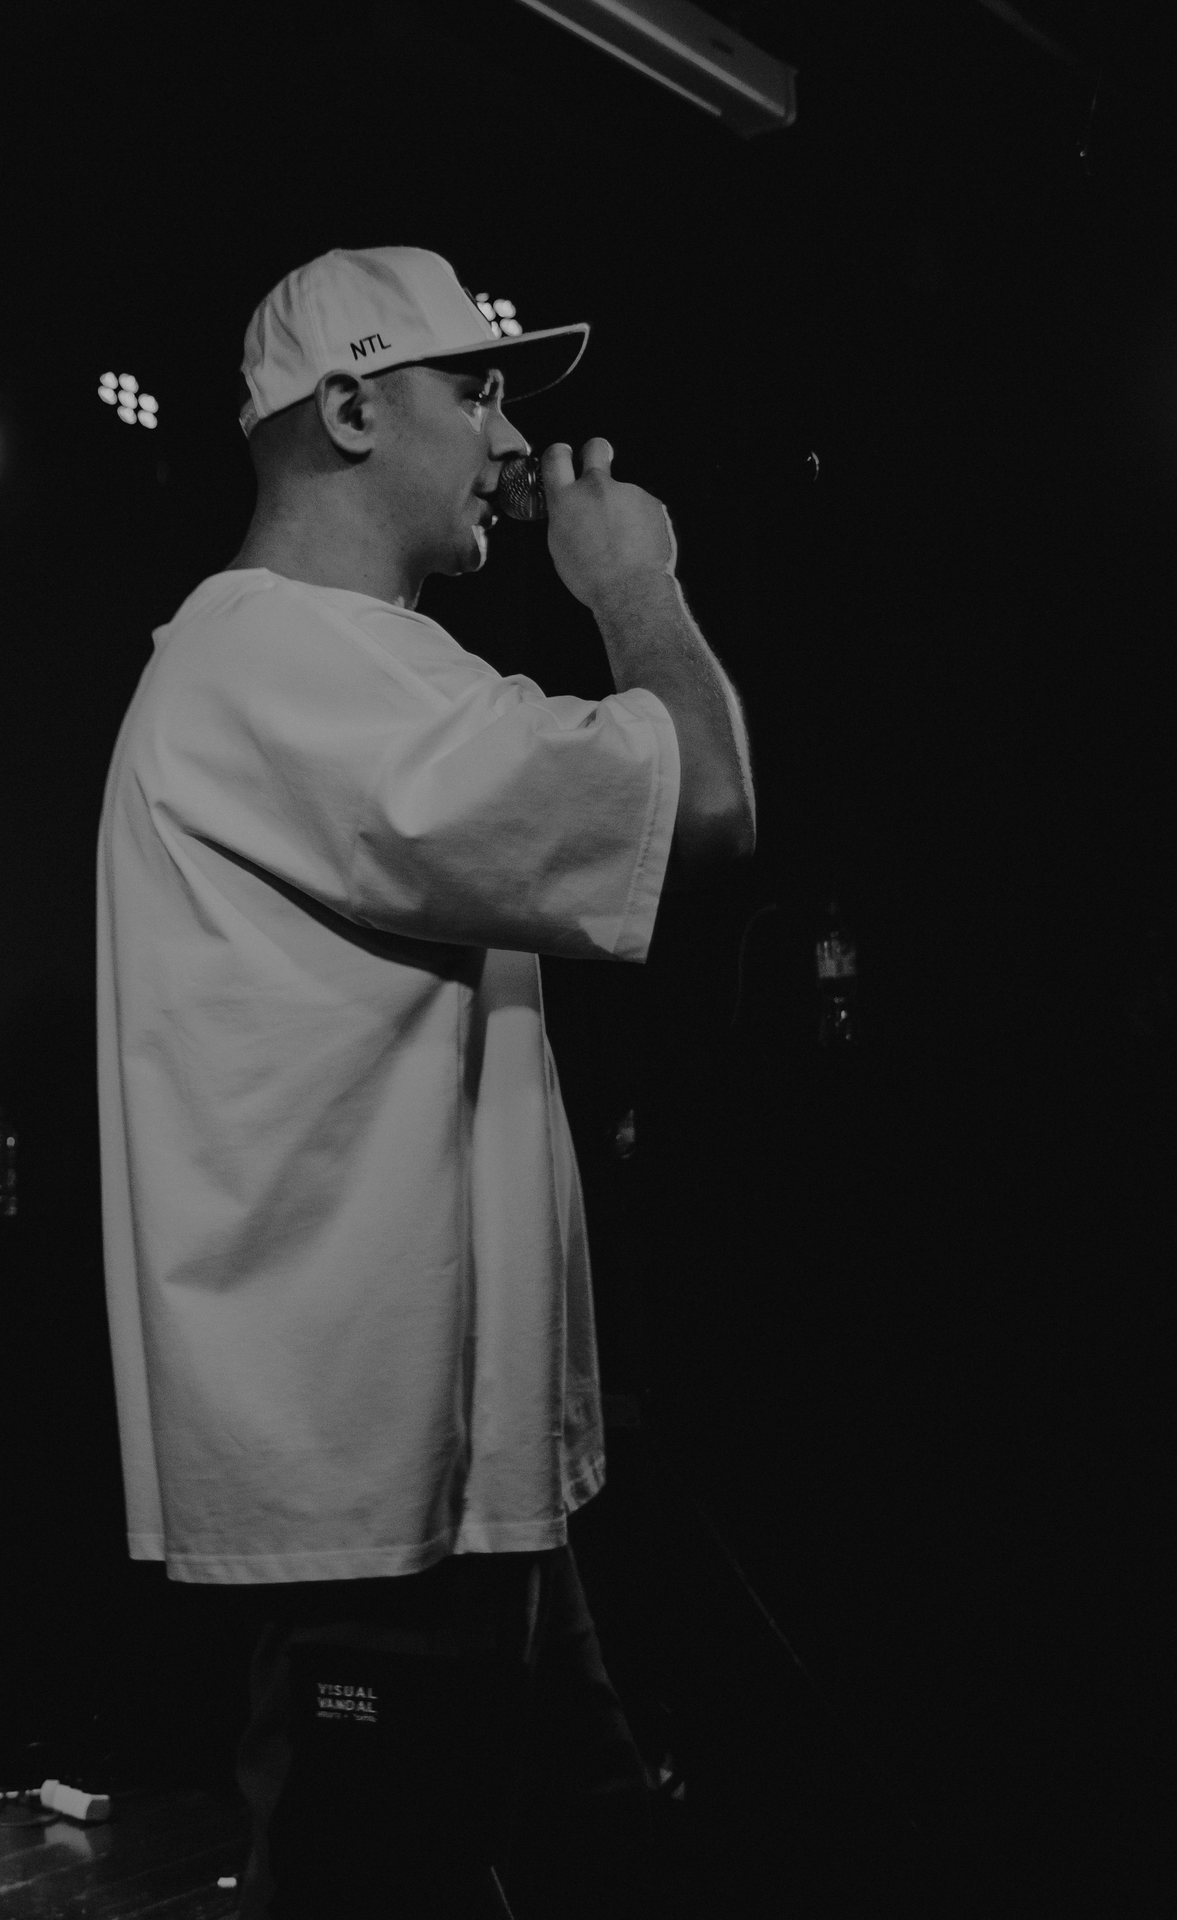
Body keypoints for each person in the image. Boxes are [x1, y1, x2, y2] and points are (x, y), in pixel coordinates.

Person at [96, 246, 757, 1914]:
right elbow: (709, 804)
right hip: (377, 1486)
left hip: (456, 1477)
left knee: (584, 1858)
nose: (511, 438)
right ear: (349, 409)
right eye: (477, 390)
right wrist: (633, 585)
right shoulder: (280, 663)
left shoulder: (351, 660)